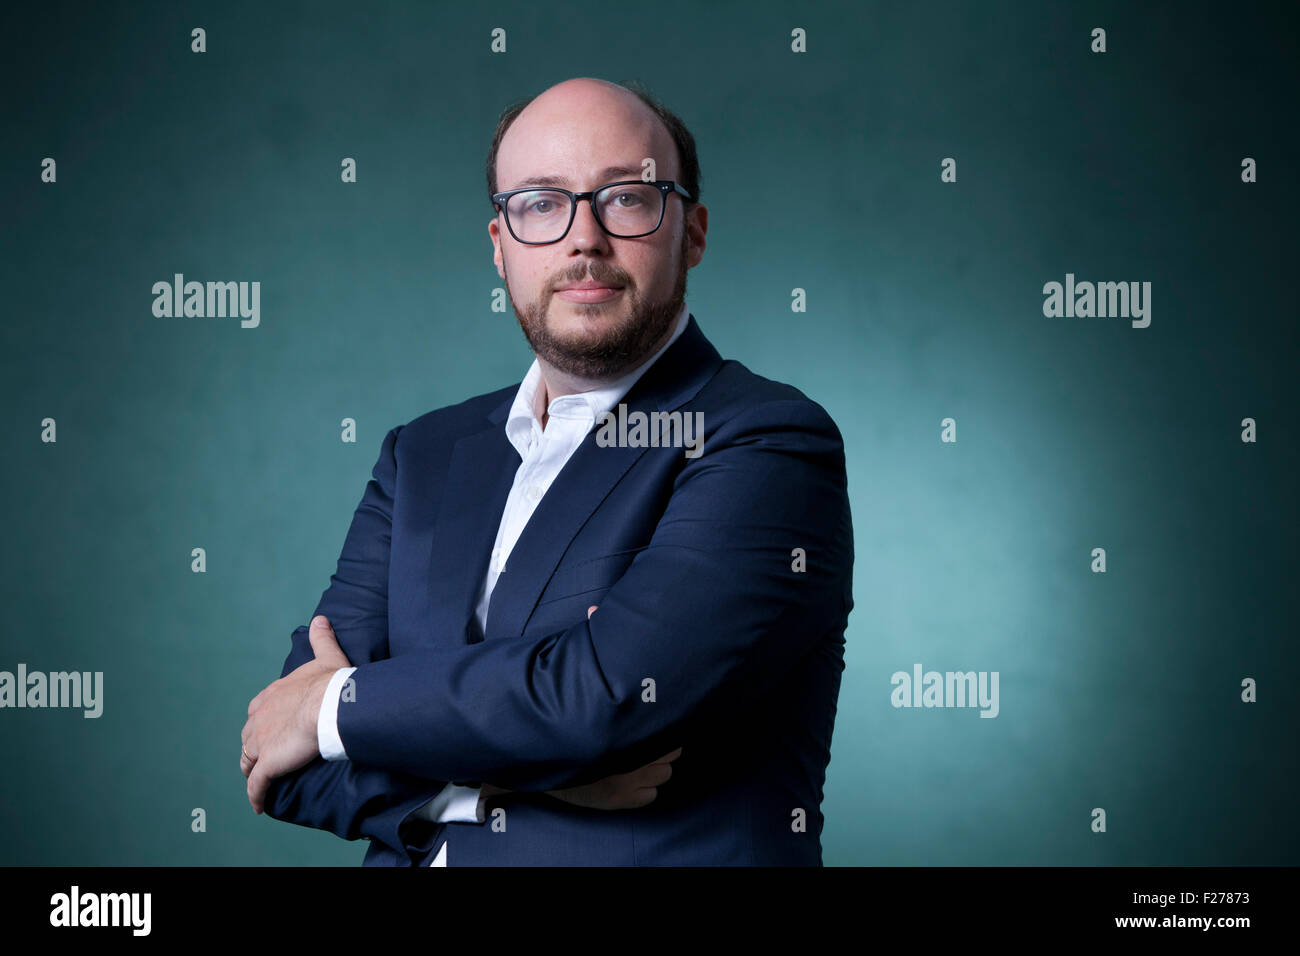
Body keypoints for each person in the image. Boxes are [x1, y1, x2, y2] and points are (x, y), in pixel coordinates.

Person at [240, 76, 854, 866]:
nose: (583, 239)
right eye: (540, 202)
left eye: (627, 198)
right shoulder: (422, 454)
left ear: (691, 232)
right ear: (500, 243)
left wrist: (335, 704)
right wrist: (500, 786)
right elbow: (282, 763)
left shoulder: (765, 441)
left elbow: (601, 697)